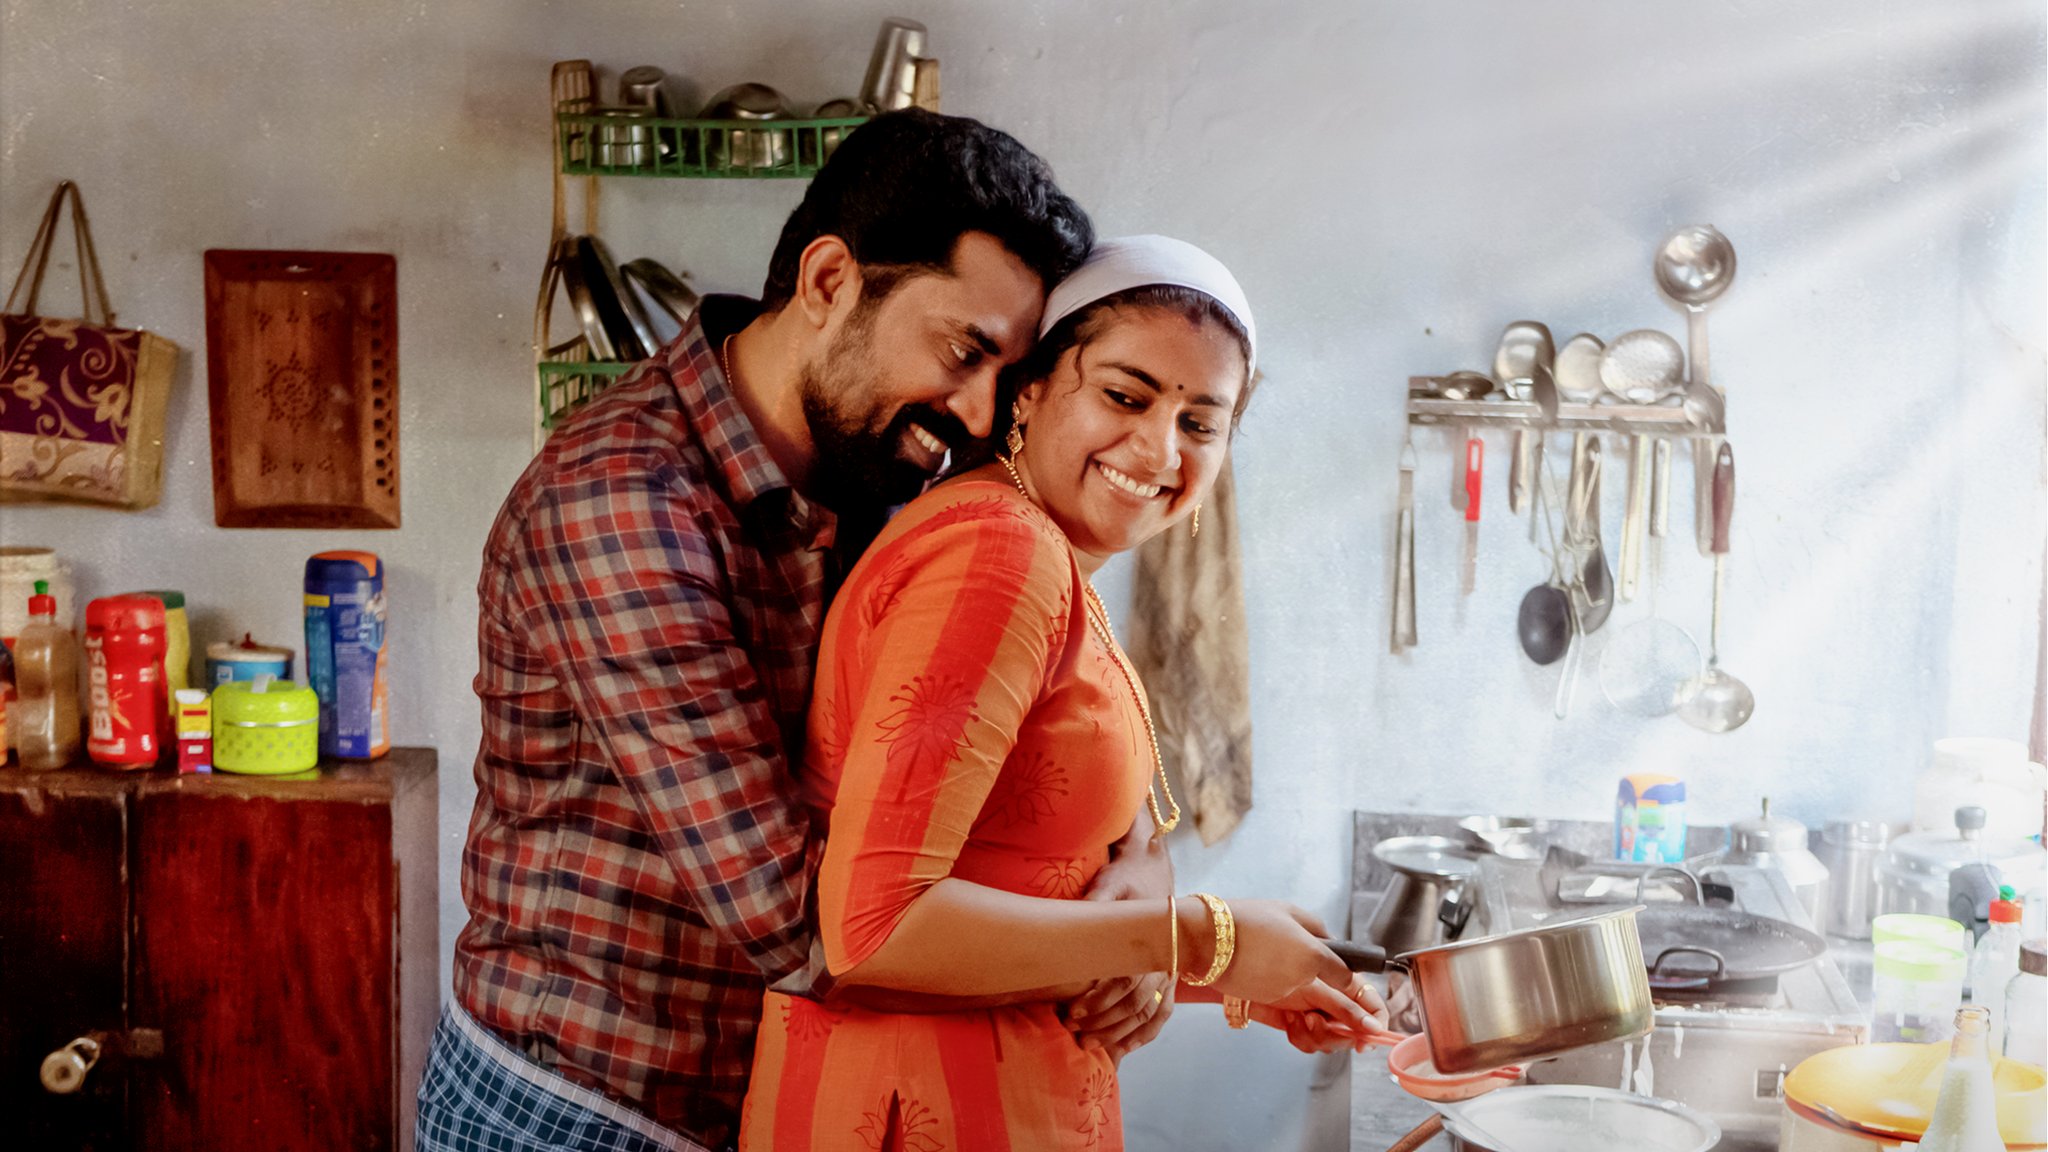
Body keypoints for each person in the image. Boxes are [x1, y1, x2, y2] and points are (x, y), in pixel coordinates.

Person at [416, 110, 1095, 1152]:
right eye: (965, 350)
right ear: (828, 282)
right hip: (582, 1115)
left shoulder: (877, 474)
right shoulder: (624, 501)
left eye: (1007, 378)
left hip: (750, 1102)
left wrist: (1134, 873)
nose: (976, 411)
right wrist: (1141, 948)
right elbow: (813, 929)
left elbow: (1032, 750)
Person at [740, 237, 1386, 1152]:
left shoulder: (1041, 551)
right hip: (908, 1111)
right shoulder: (999, 557)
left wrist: (1228, 969)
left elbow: (1017, 885)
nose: (1160, 449)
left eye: (1202, 423)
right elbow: (875, 932)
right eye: (1125, 396)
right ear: (1034, 387)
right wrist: (1200, 940)